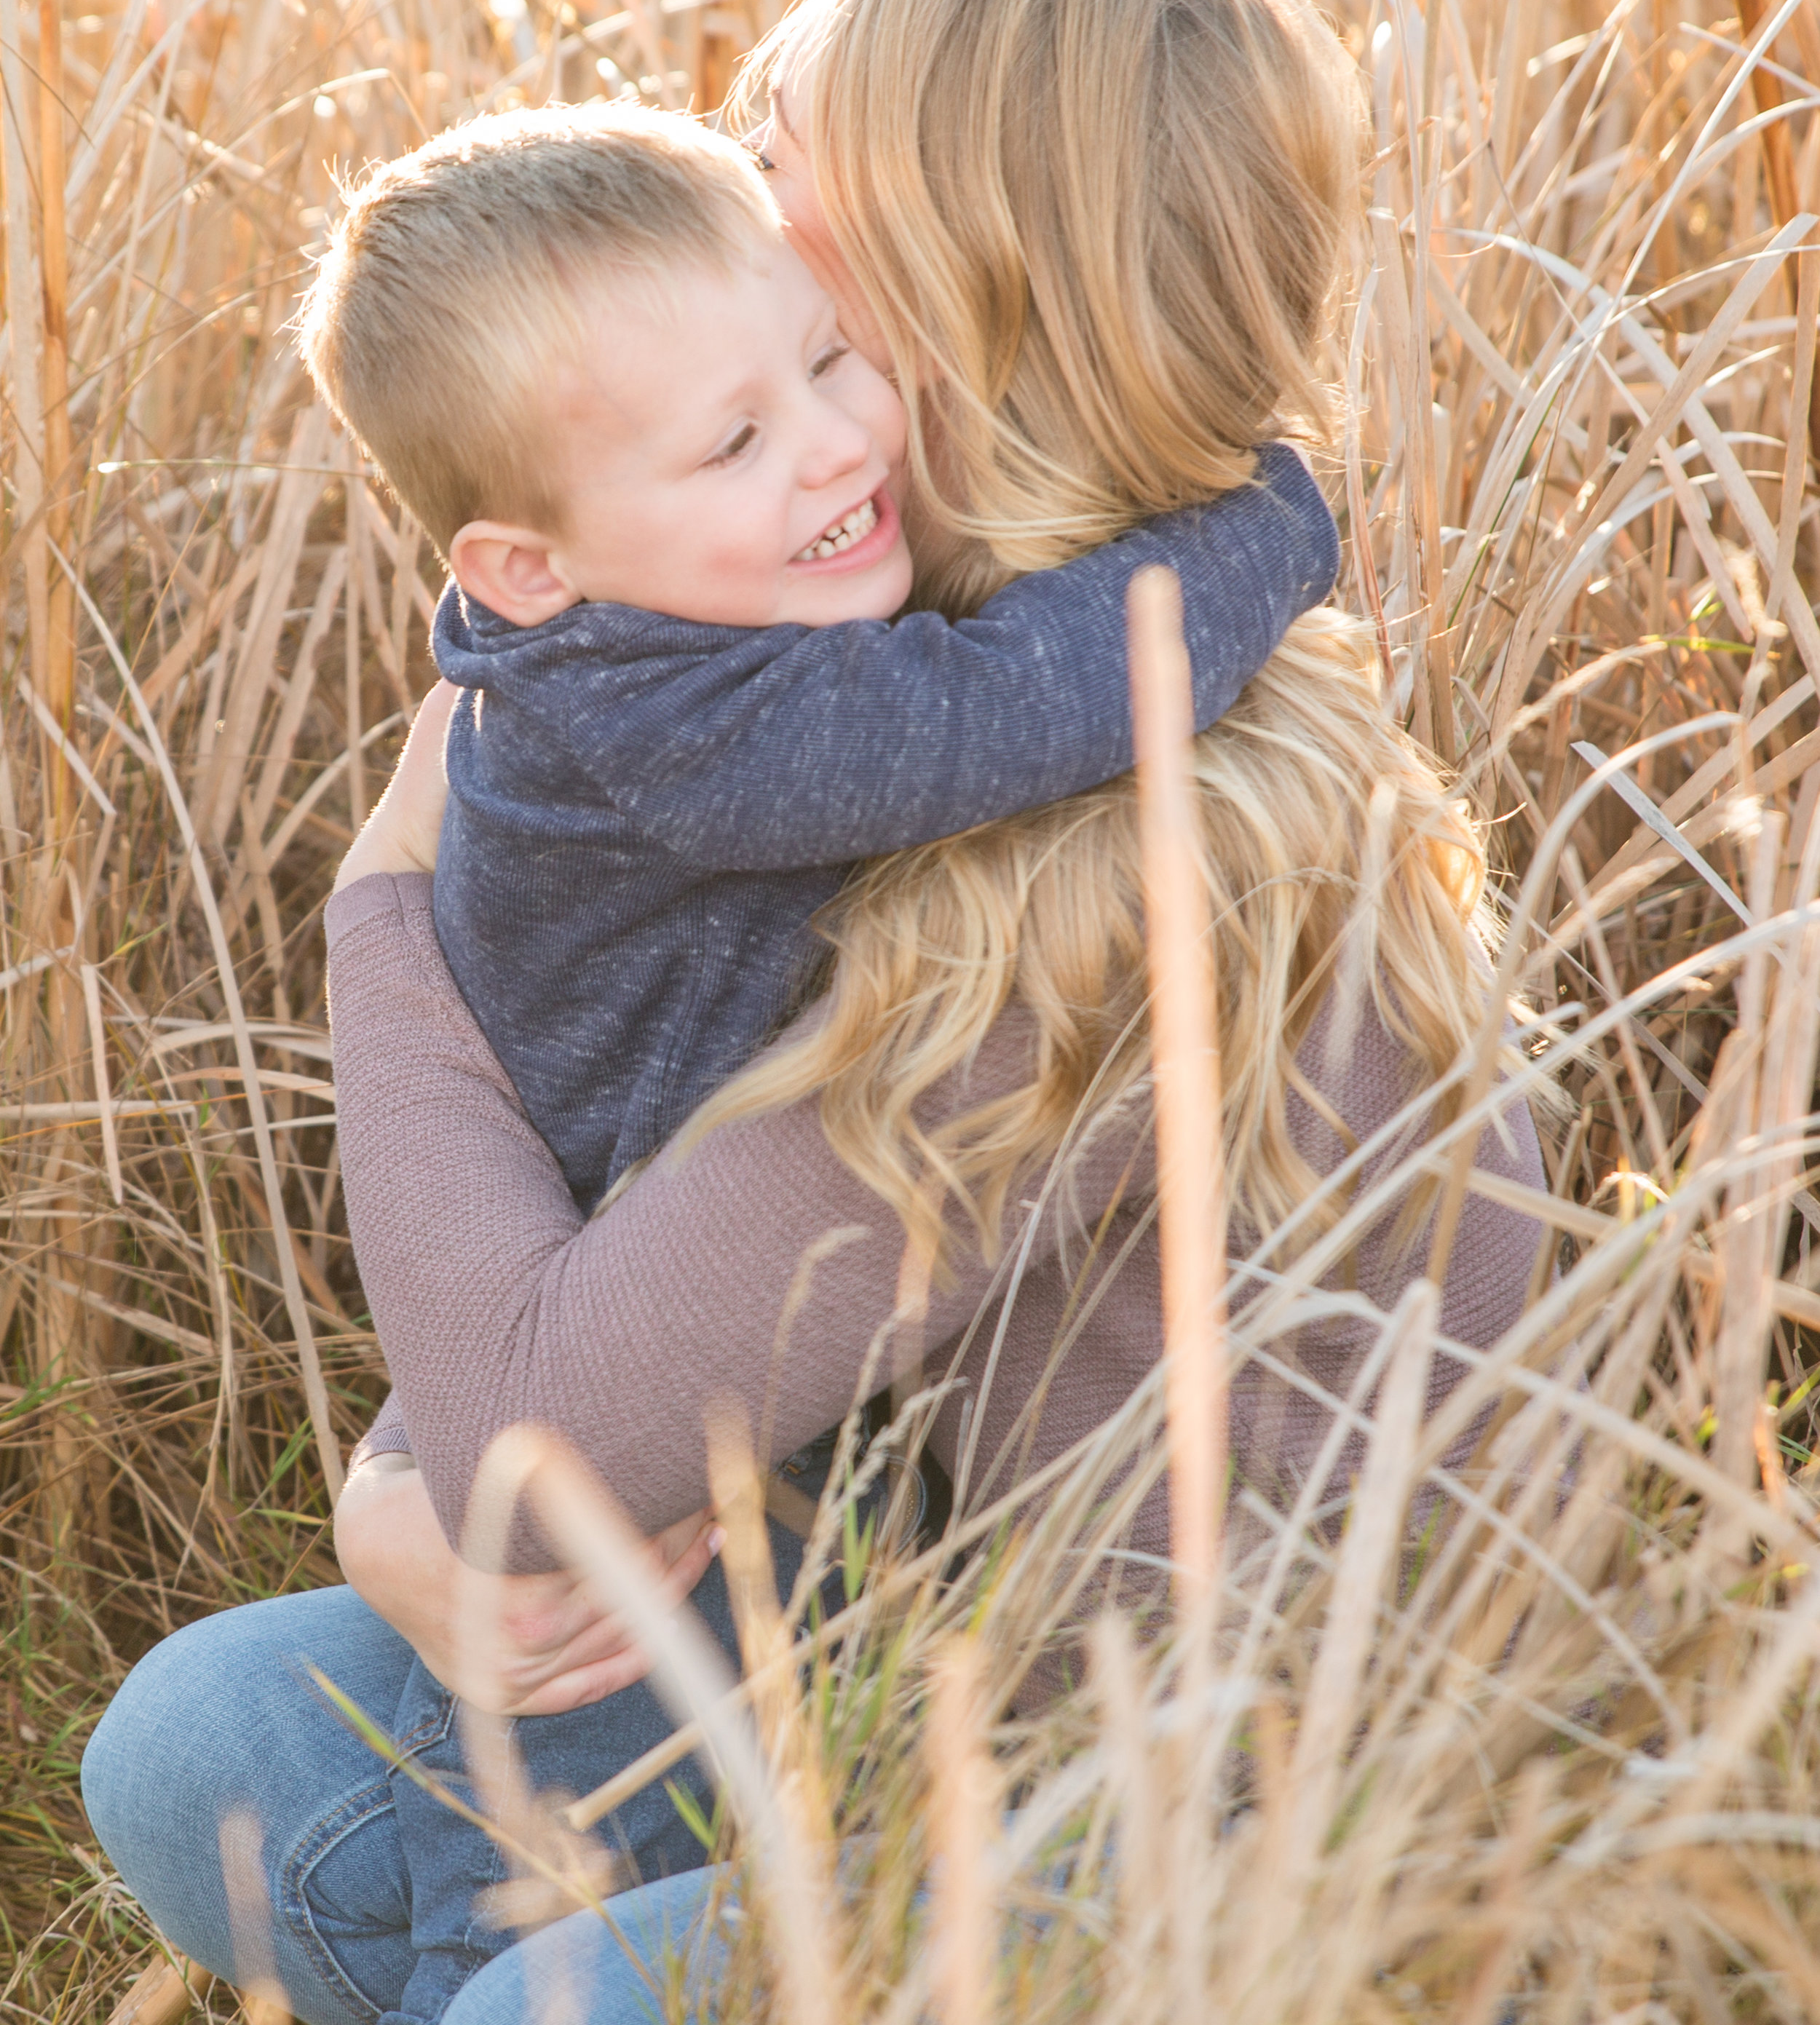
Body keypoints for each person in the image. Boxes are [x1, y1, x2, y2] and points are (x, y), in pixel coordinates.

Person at [79, 0, 1546, 2025]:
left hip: (1204, 1851)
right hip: (886, 1676)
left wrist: (387, 884)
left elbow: (545, 1413)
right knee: (205, 1741)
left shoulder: (1088, 865)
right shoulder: (983, 689)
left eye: (793, 204)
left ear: (969, 298)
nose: (734, 229)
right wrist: (414, 1512)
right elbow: (621, 1370)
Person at [295, 103, 1338, 1216]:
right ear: (528, 571)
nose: (838, 443)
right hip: (638, 1268)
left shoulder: (622, 592)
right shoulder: (674, 728)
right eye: (737, 441)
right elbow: (1015, 699)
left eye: (827, 355)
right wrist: (1268, 518)